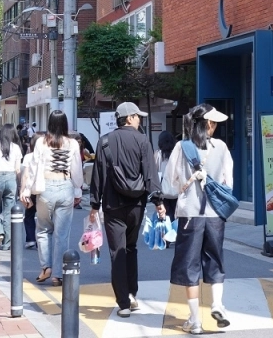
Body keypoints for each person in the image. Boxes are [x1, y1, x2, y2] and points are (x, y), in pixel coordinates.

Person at [89, 102, 164, 317]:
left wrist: (94, 205)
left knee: (117, 253)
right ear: (129, 118)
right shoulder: (143, 141)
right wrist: (158, 202)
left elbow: (98, 176)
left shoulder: (104, 142)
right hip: (136, 205)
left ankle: (123, 303)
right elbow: (150, 174)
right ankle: (132, 294)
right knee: (131, 249)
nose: (140, 119)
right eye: (137, 116)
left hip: (113, 206)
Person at [166, 105, 234, 334]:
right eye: (213, 122)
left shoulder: (181, 147)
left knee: (190, 265)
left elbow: (169, 182)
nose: (215, 126)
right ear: (208, 124)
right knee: (215, 260)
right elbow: (228, 183)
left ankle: (195, 321)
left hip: (190, 215)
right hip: (215, 215)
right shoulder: (222, 147)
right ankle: (217, 305)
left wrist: (184, 189)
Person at [23, 112, 83, 286]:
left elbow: (33, 168)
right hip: (65, 186)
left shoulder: (41, 142)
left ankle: (45, 267)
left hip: (46, 188)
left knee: (43, 230)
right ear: (65, 124)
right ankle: (58, 274)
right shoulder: (72, 143)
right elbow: (76, 171)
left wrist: (27, 191)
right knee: (62, 234)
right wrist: (77, 192)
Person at [0, 124, 25, 250]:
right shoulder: (16, 148)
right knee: (9, 212)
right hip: (11, 179)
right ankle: (7, 243)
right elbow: (18, 169)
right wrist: (20, 186)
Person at [157, 130, 180, 221]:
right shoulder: (177, 154)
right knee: (176, 218)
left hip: (163, 193)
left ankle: (166, 234)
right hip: (176, 192)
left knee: (165, 218)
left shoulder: (158, 155)